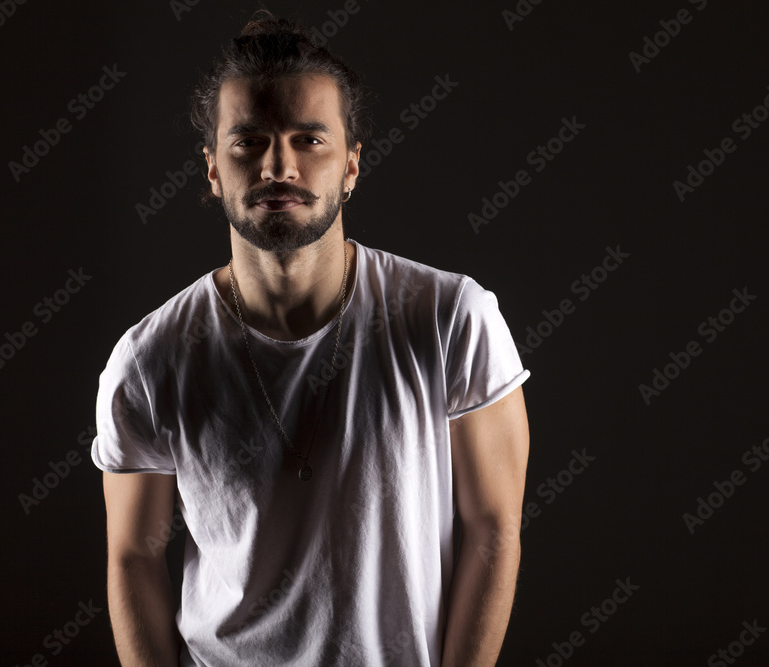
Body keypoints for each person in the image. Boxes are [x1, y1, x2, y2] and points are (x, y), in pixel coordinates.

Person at [91, 10, 530, 666]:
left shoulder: (449, 319)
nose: (279, 165)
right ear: (212, 169)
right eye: (249, 141)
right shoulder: (150, 360)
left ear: (351, 164)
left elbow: (494, 531)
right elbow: (133, 555)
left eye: (308, 139)